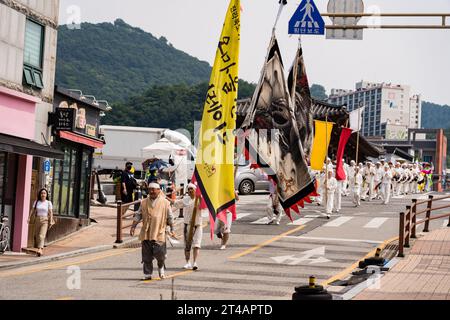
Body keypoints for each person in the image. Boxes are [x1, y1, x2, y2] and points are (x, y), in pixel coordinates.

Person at [130, 182, 175, 281]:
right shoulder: (144, 202)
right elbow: (138, 214)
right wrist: (133, 226)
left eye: (154, 189)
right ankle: (147, 273)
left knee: (160, 254)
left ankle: (161, 266)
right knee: (146, 255)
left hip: (159, 232)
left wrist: (172, 228)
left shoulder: (165, 202)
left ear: (159, 190)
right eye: (150, 189)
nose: (151, 191)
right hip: (146, 232)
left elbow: (170, 216)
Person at [171, 183, 203, 270]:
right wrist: (164, 197)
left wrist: (200, 197)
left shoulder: (200, 199)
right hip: (188, 225)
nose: (190, 191)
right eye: (188, 189)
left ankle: (195, 262)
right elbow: (175, 203)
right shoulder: (186, 199)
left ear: (195, 190)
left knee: (196, 244)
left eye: (192, 189)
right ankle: (188, 262)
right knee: (187, 245)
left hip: (198, 225)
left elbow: (204, 206)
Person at [28, 188, 55, 257]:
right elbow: (32, 210)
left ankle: (40, 249)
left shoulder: (48, 203)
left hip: (45, 220)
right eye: (42, 193)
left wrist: (51, 220)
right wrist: (29, 217)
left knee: (41, 235)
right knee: (37, 235)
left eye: (44, 193)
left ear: (46, 195)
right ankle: (39, 248)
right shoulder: (37, 202)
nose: (43, 194)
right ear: (40, 194)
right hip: (37, 219)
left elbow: (51, 212)